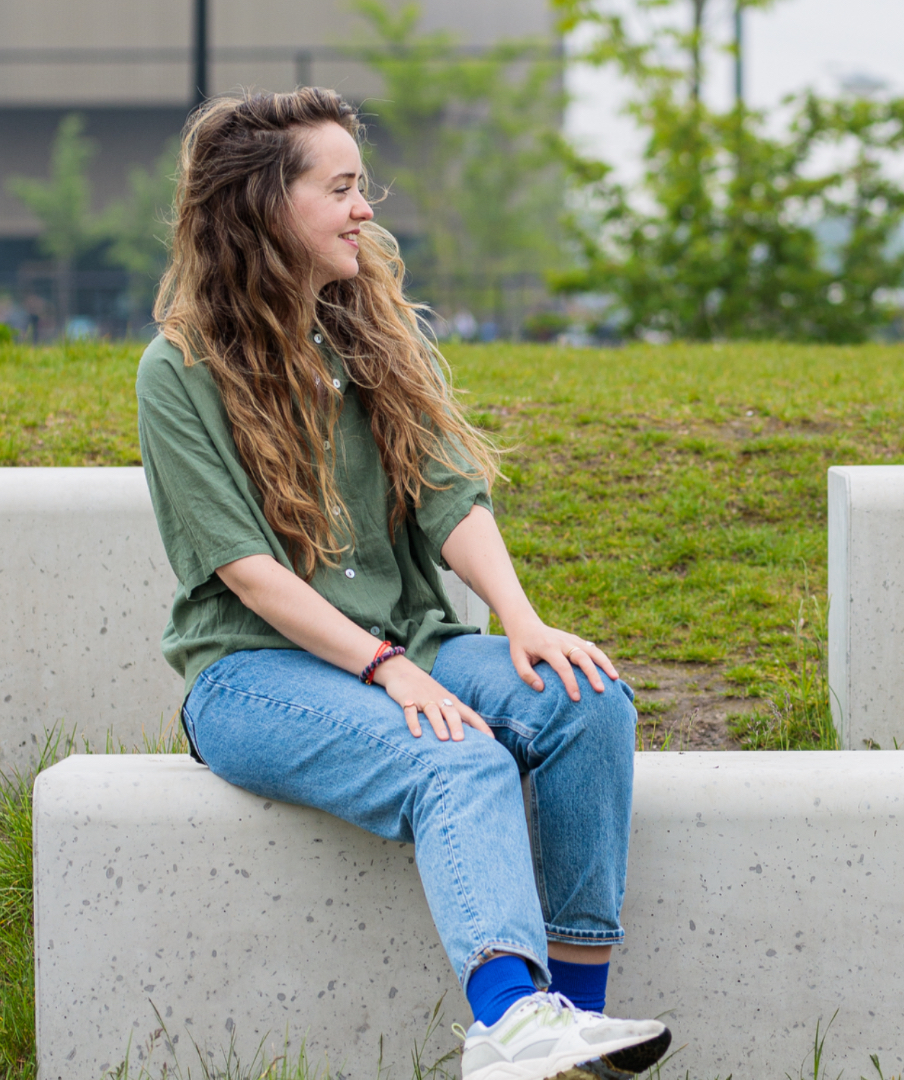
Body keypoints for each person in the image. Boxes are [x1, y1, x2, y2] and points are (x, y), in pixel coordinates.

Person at [136, 88, 670, 1080]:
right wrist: (385, 670)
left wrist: (522, 621)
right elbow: (247, 573)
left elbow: (446, 496)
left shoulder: (370, 332)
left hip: (410, 643)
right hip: (254, 675)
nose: (364, 209)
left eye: (361, 186)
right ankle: (509, 1022)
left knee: (586, 699)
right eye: (340, 188)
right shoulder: (179, 372)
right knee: (456, 757)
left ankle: (570, 1032)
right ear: (263, 206)